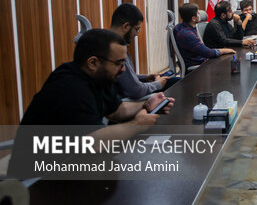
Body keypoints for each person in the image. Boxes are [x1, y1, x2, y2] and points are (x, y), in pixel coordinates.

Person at [8, 29, 175, 178]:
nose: (123, 69)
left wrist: (146, 105)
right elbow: (91, 142)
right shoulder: (70, 87)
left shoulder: (101, 77)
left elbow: (117, 111)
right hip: (36, 180)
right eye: (119, 63)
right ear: (93, 62)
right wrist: (137, 125)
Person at [109, 3, 179, 99]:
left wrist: (145, 77)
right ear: (126, 26)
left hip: (129, 94)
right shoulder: (114, 49)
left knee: (176, 81)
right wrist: (157, 84)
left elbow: (125, 78)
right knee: (178, 86)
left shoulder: (114, 43)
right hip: (127, 101)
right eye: (137, 29)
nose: (136, 34)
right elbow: (135, 90)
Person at [174, 3, 235, 68]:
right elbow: (208, 53)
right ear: (193, 18)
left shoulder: (180, 26)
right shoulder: (188, 35)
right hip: (196, 66)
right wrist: (224, 50)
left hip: (198, 59)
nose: (200, 14)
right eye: (198, 13)